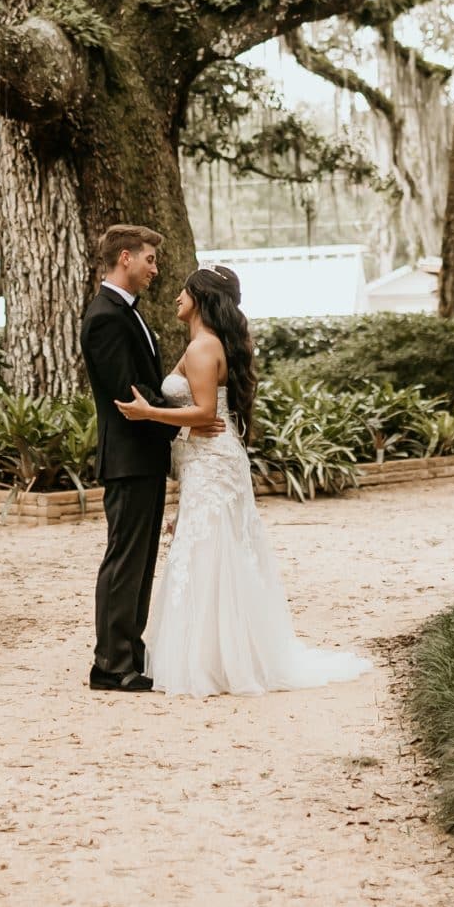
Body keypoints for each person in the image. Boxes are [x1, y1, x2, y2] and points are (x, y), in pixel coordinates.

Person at [117, 264, 372, 697]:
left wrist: (149, 414)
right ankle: (219, 653)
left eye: (184, 290)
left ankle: (214, 660)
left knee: (211, 549)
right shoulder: (206, 343)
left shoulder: (202, 348)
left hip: (212, 459)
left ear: (199, 297)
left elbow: (205, 415)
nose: (177, 295)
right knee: (212, 547)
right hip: (209, 460)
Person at [80, 224, 193, 692]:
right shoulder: (105, 316)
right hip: (127, 457)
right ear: (125, 258)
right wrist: (187, 417)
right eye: (149, 259)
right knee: (125, 559)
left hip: (144, 457)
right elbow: (131, 392)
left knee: (141, 559)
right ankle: (109, 663)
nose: (155, 268)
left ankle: (130, 650)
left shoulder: (128, 313)